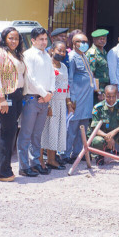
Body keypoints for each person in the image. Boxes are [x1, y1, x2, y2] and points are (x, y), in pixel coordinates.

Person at [0, 27, 26, 181]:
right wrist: (2, 98)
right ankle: (2, 172)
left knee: (9, 132)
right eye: (10, 38)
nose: (14, 41)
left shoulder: (16, 53)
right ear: (4, 38)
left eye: (16, 38)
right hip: (3, 97)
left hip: (16, 96)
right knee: (8, 133)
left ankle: (2, 169)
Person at [16, 27, 56, 176]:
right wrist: (45, 94)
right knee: (26, 134)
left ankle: (36, 163)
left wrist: (50, 93)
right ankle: (23, 166)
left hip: (44, 99)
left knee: (37, 135)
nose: (44, 42)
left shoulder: (46, 55)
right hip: (32, 99)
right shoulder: (28, 55)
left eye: (46, 39)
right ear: (33, 40)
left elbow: (52, 76)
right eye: (41, 39)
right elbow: (30, 79)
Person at [40, 41, 71, 171]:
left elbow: (66, 85)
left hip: (61, 103)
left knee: (56, 131)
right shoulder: (47, 66)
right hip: (50, 102)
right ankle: (40, 160)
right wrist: (47, 105)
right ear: (52, 50)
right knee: (45, 131)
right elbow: (44, 85)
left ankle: (52, 160)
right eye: (59, 50)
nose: (62, 53)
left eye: (64, 51)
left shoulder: (63, 66)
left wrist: (68, 102)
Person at [65, 33, 96, 163]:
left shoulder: (83, 55)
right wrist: (71, 99)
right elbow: (69, 79)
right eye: (80, 41)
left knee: (82, 127)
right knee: (72, 128)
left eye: (85, 41)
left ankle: (77, 153)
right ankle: (65, 155)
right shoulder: (72, 57)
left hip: (86, 99)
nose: (83, 44)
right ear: (73, 43)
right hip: (77, 98)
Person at [88, 85, 119, 165]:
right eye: (108, 97)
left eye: (113, 97)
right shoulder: (98, 108)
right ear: (104, 96)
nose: (111, 99)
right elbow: (94, 128)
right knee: (97, 141)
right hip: (103, 136)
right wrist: (108, 137)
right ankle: (100, 156)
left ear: (117, 95)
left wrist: (115, 131)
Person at [87, 29, 110, 103]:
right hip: (97, 90)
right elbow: (91, 73)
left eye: (104, 39)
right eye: (100, 39)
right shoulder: (92, 54)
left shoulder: (104, 52)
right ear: (94, 39)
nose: (102, 41)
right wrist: (98, 92)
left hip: (104, 87)